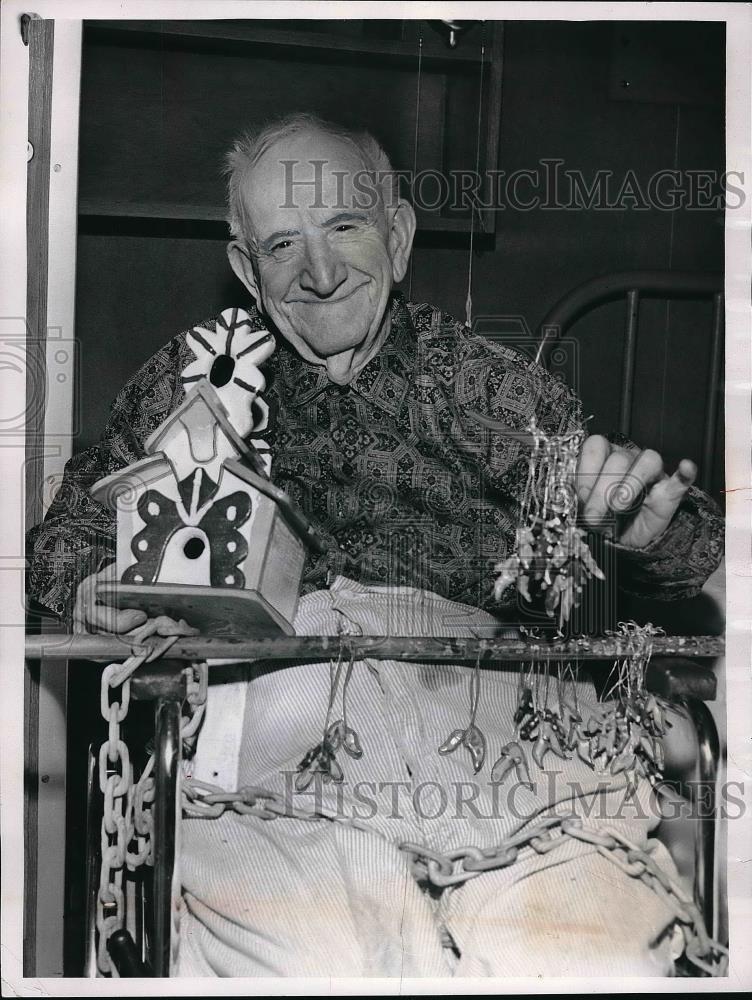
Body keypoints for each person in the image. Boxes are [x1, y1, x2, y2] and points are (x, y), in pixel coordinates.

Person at [26, 113, 724, 977]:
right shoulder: (193, 374)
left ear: (397, 239)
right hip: (272, 773)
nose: (318, 273)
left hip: (499, 758)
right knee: (324, 963)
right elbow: (59, 549)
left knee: (587, 953)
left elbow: (690, 551)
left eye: (344, 227)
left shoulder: (479, 383)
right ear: (246, 268)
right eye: (282, 244)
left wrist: (645, 528)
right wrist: (106, 591)